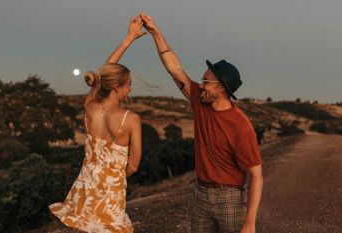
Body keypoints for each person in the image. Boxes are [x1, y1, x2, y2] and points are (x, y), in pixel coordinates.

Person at [140, 13, 263, 233]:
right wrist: (155, 32)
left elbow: (256, 176)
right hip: (201, 196)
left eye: (207, 81)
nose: (202, 84)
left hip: (231, 199)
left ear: (222, 88)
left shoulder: (240, 126)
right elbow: (175, 69)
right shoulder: (200, 101)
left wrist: (250, 222)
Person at [49, 16, 145, 233]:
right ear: (118, 87)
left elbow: (103, 73)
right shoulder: (131, 119)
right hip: (110, 198)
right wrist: (112, 179)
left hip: (84, 193)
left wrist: (127, 39)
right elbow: (133, 166)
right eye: (129, 85)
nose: (130, 89)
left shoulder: (89, 107)